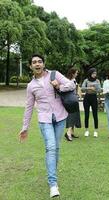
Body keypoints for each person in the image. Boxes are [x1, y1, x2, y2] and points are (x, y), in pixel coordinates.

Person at [19, 54, 75, 198]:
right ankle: (53, 184)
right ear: (30, 66)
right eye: (34, 62)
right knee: (50, 147)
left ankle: (52, 173)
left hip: (61, 117)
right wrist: (25, 127)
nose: (37, 64)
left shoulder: (55, 74)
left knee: (55, 148)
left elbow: (72, 84)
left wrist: (59, 86)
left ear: (43, 64)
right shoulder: (31, 86)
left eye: (39, 61)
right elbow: (29, 107)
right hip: (45, 119)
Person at [81, 68, 101, 137]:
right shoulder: (86, 80)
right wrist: (89, 88)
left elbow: (99, 90)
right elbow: (82, 88)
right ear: (90, 73)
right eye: (93, 73)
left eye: (95, 73)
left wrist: (95, 89)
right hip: (87, 98)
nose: (94, 75)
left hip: (94, 98)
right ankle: (86, 130)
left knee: (95, 115)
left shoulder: (97, 80)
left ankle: (96, 131)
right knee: (86, 115)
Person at [65, 67, 81, 141]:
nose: (77, 74)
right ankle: (68, 133)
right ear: (72, 73)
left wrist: (77, 94)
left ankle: (71, 132)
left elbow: (76, 88)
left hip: (74, 100)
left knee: (75, 115)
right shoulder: (68, 82)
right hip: (70, 101)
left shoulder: (74, 80)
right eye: (76, 73)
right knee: (72, 116)